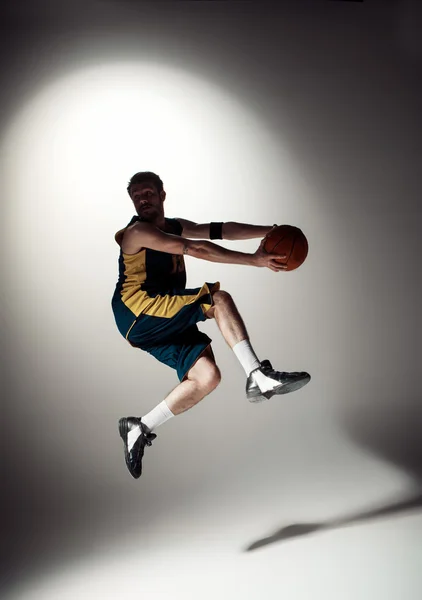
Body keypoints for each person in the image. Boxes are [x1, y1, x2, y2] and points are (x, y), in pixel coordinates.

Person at [112, 171, 311, 479]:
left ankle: (140, 427)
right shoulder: (136, 233)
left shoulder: (174, 225)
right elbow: (197, 249)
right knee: (217, 299)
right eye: (137, 195)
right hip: (139, 310)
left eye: (148, 192)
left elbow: (217, 230)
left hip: (158, 316)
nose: (143, 199)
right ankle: (258, 376)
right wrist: (254, 260)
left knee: (207, 377)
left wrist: (270, 231)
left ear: (162, 194)